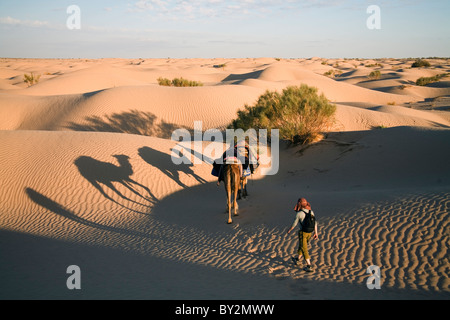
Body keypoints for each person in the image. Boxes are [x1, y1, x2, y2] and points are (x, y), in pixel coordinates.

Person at [287, 197, 318, 272]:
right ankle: (297, 259)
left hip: (303, 233)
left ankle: (309, 266)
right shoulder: (311, 212)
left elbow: (294, 223)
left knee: (304, 248)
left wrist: (289, 230)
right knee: (302, 246)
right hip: (309, 233)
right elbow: (315, 223)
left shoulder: (299, 213)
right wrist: (316, 233)